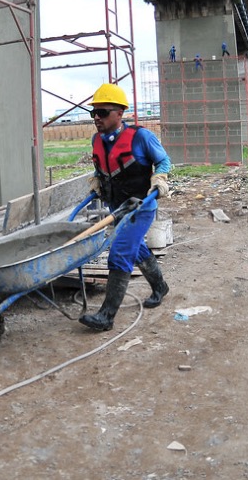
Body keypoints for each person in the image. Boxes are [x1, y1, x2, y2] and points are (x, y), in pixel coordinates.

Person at [81, 83, 171, 331]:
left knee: (120, 250)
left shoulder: (141, 137)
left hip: (140, 207)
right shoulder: (96, 140)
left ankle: (106, 316)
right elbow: (104, 168)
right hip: (116, 205)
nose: (96, 118)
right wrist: (98, 182)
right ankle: (160, 286)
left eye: (103, 112)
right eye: (93, 113)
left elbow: (164, 161)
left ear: (120, 113)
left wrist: (159, 178)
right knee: (136, 247)